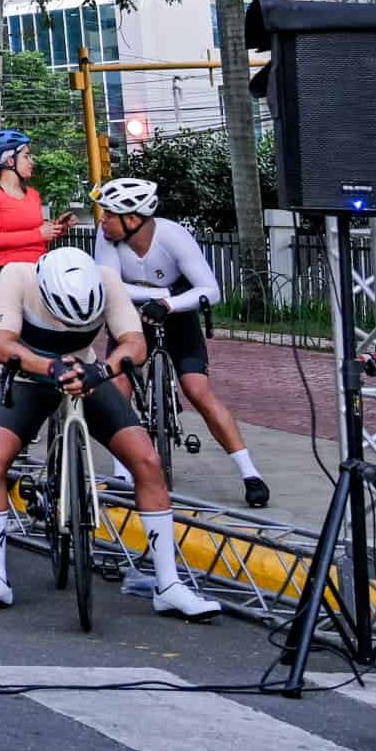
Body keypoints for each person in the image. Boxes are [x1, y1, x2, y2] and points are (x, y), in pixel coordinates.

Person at [0, 246, 224, 618]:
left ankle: (169, 585)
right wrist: (49, 367)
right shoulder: (17, 276)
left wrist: (101, 371)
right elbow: (4, 346)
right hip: (30, 374)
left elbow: (133, 343)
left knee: (148, 461)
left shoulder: (107, 278)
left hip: (87, 374)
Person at [91, 177, 267, 506]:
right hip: (131, 314)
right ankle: (121, 471)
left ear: (133, 219)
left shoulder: (172, 236)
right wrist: (158, 294)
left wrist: (170, 303)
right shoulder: (107, 240)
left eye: (109, 215)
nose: (102, 221)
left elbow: (210, 290)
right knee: (117, 387)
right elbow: (110, 286)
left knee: (197, 389)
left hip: (178, 311)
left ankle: (250, 473)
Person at [0, 131, 49, 291]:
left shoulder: (34, 195)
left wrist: (56, 229)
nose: (32, 162)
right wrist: (39, 234)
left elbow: (38, 237)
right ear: (9, 160)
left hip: (39, 271)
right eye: (26, 156)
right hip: (4, 273)